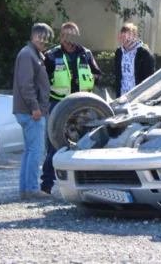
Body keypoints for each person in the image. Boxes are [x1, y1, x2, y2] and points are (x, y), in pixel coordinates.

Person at [40, 22, 102, 194]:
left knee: (87, 144)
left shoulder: (86, 54)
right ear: (61, 37)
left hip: (82, 106)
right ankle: (46, 185)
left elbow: (97, 73)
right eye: (66, 36)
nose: (70, 40)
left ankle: (88, 185)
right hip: (58, 104)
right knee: (54, 145)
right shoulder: (51, 55)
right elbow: (41, 80)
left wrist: (90, 78)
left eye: (73, 35)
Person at [13, 23, 53, 200]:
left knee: (30, 151)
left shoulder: (32, 54)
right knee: (36, 150)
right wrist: (35, 107)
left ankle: (26, 189)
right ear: (36, 37)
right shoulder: (28, 55)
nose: (47, 43)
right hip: (31, 112)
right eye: (44, 38)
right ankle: (31, 189)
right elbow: (26, 84)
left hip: (29, 110)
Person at [114, 23, 155, 98]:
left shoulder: (144, 53)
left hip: (138, 95)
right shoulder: (119, 52)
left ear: (134, 36)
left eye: (127, 36)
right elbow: (118, 76)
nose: (125, 39)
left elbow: (150, 77)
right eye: (123, 36)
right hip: (122, 95)